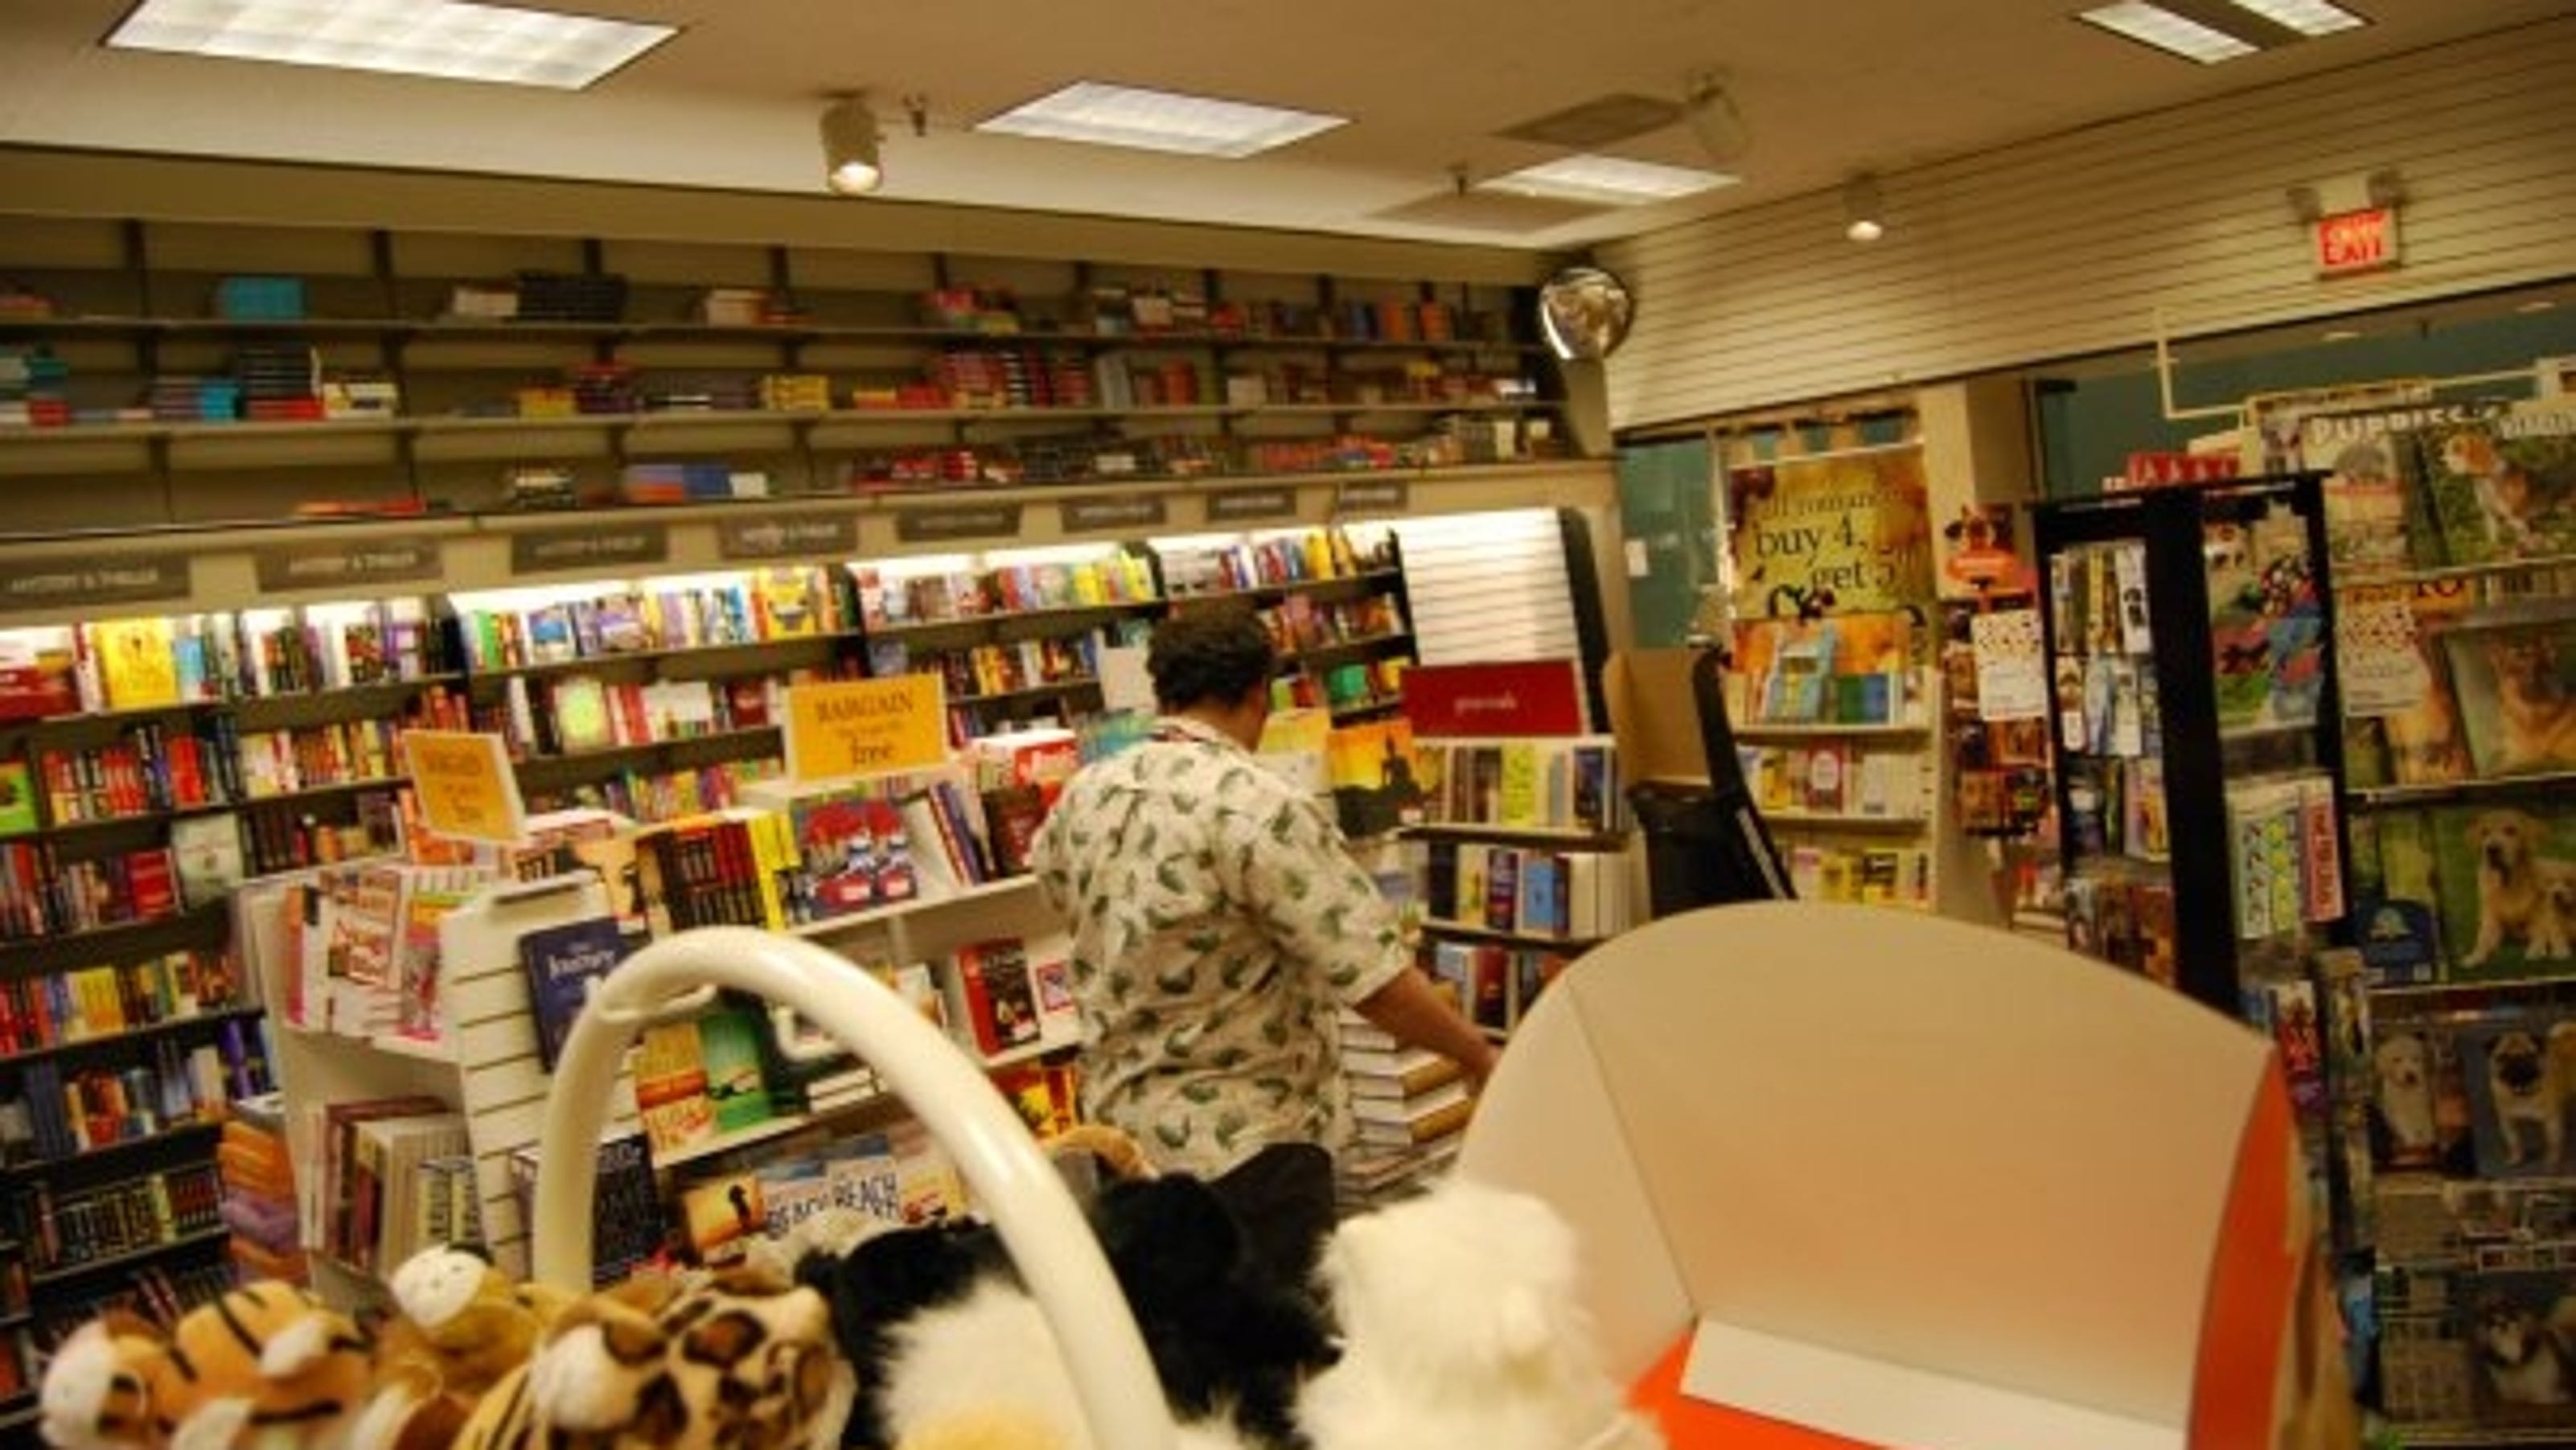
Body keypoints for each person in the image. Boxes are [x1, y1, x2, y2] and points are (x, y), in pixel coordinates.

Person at [1029, 604, 1498, 1275]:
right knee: (1274, 1358)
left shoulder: (1084, 792)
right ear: (1260, 692)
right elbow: (1372, 977)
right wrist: (1472, 1050)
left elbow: (1060, 894)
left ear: (1161, 689)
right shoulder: (1255, 803)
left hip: (1122, 1146)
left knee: (1176, 1357)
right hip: (1250, 1155)